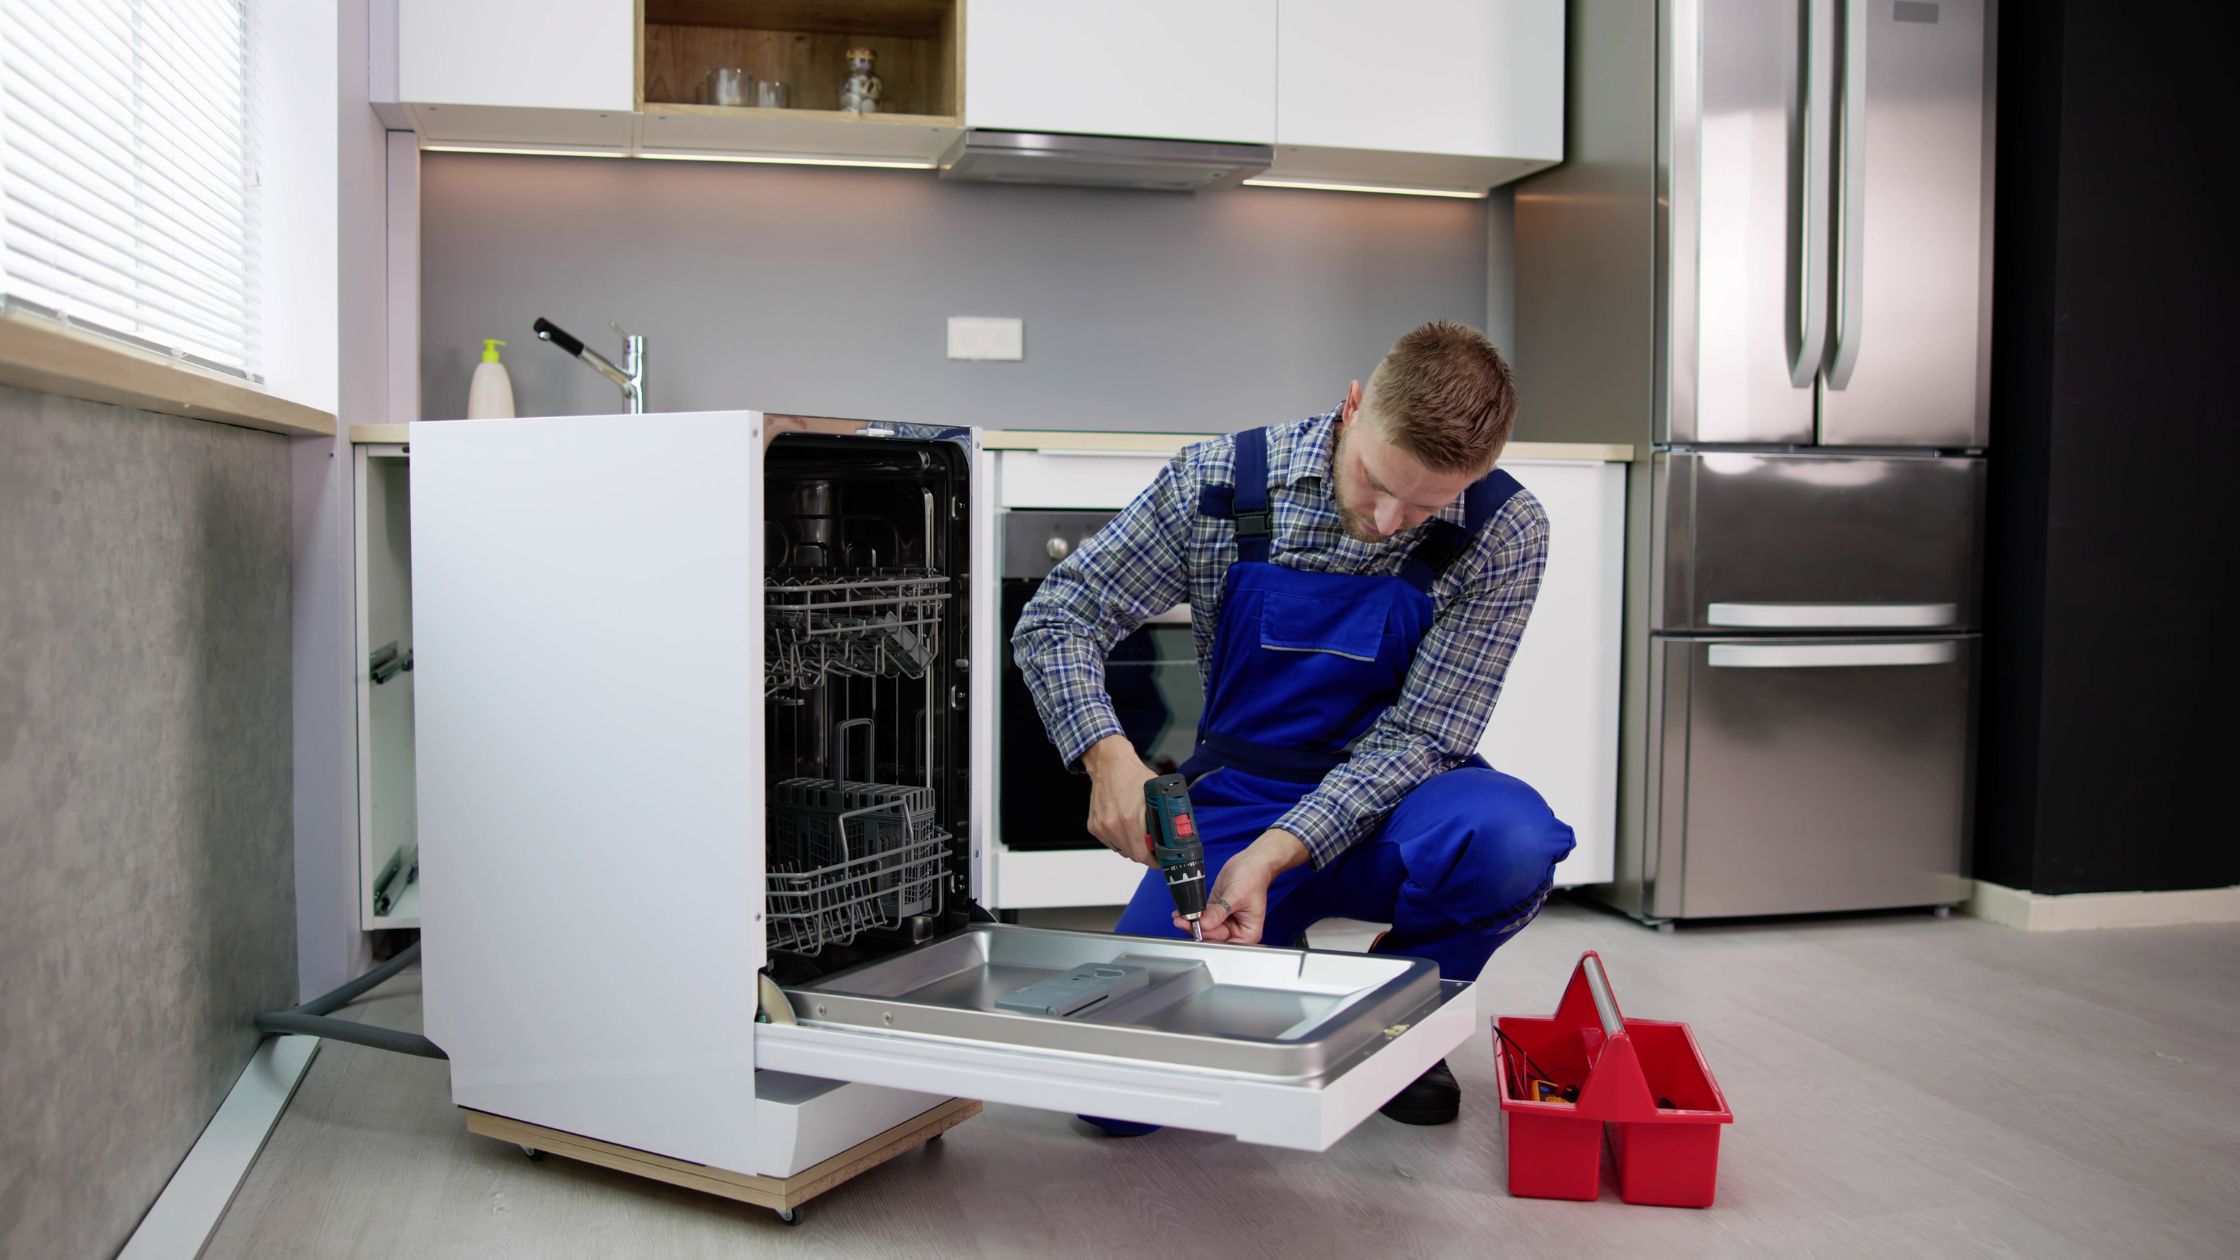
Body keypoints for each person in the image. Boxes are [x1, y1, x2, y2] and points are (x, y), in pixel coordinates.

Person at [1011, 321, 1576, 1128]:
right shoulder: (1216, 480)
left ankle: (1399, 1004)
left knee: (1510, 842)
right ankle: (1278, 966)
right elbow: (1059, 616)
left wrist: (1279, 855)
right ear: (1351, 408)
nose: (1389, 520)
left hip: (1398, 802)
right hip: (1240, 798)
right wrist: (1108, 757)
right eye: (1378, 482)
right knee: (1117, 1108)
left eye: (1427, 504)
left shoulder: (1506, 530)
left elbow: (1423, 737)